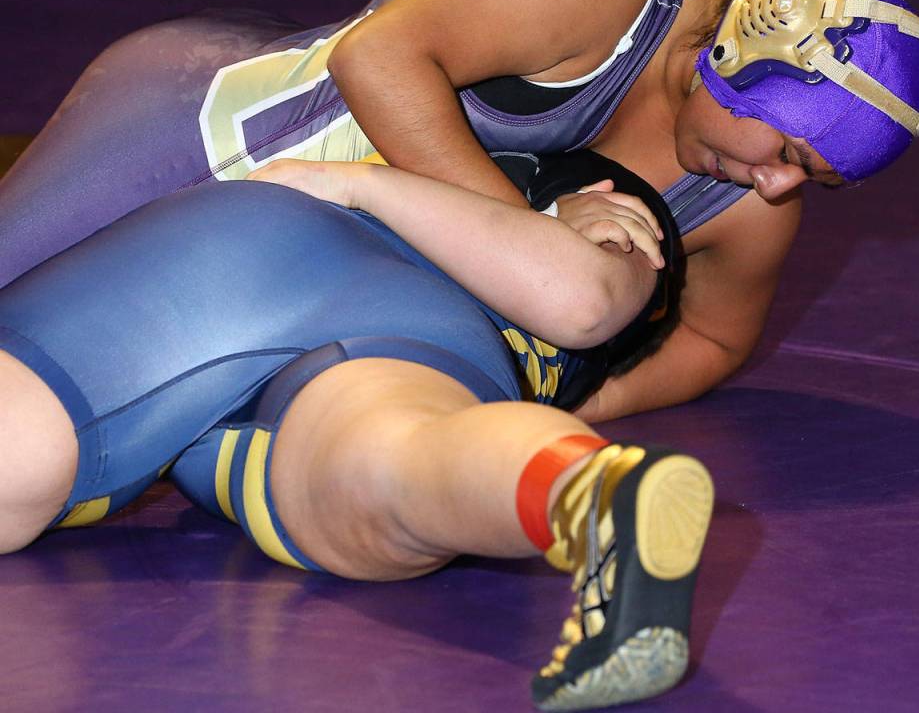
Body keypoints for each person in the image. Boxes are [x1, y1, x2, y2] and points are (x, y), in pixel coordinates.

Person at [0, 0, 919, 425]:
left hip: (292, 270)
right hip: (214, 133)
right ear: (722, 63)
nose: (781, 187)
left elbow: (714, 342)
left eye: (814, 181)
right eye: (786, 152)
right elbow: (377, 58)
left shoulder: (745, 198)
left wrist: (571, 403)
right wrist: (529, 246)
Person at [1, 148, 709, 711]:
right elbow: (666, 331)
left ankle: (586, 489)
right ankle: (581, 487)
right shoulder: (574, 311)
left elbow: (594, 297)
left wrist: (354, 183)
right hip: (409, 333)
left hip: (247, 251)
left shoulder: (596, 245)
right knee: (402, 461)